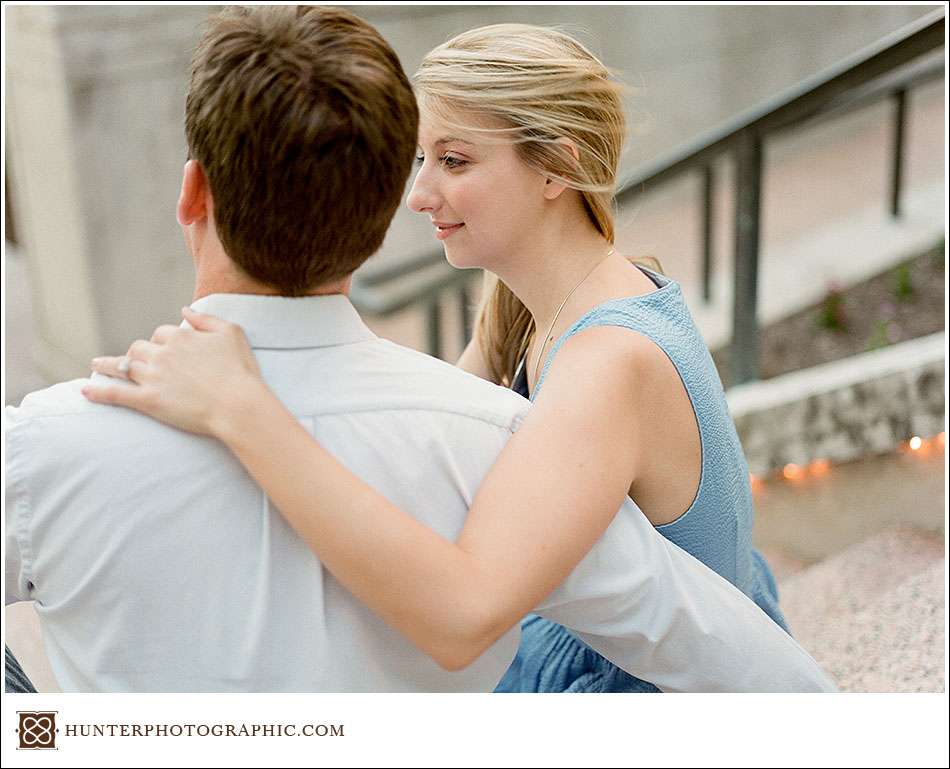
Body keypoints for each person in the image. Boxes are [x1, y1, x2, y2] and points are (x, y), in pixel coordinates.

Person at [79, 18, 833, 693]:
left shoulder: (611, 360)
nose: (418, 194)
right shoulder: (531, 298)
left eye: (455, 161)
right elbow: (414, 443)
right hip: (589, 637)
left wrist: (242, 410)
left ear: (555, 169)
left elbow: (462, 613)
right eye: (419, 160)